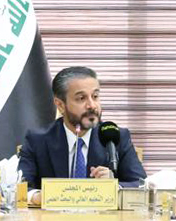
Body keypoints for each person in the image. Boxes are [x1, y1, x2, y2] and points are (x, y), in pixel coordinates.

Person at [18, 66, 145, 197]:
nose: (92, 105)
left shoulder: (115, 137)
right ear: (60, 105)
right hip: (52, 211)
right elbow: (21, 186)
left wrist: (114, 186)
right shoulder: (38, 140)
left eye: (95, 96)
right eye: (81, 98)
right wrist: (38, 197)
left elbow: (141, 185)